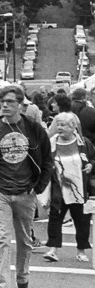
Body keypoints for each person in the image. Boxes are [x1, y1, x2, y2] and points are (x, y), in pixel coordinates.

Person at [0, 84, 53, 288]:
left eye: (10, 102)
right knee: (1, 240)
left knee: (24, 241)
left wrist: (38, 187)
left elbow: (47, 160)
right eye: (2, 101)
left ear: (21, 105)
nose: (5, 105)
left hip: (25, 192)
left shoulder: (33, 128)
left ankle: (23, 282)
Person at [42, 112, 93, 263]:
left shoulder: (83, 143)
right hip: (59, 188)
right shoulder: (51, 143)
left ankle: (81, 251)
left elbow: (93, 159)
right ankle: (53, 250)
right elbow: (45, 162)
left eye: (63, 125)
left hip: (79, 189)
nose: (59, 128)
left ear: (73, 127)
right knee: (55, 218)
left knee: (82, 221)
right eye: (58, 124)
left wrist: (91, 165)